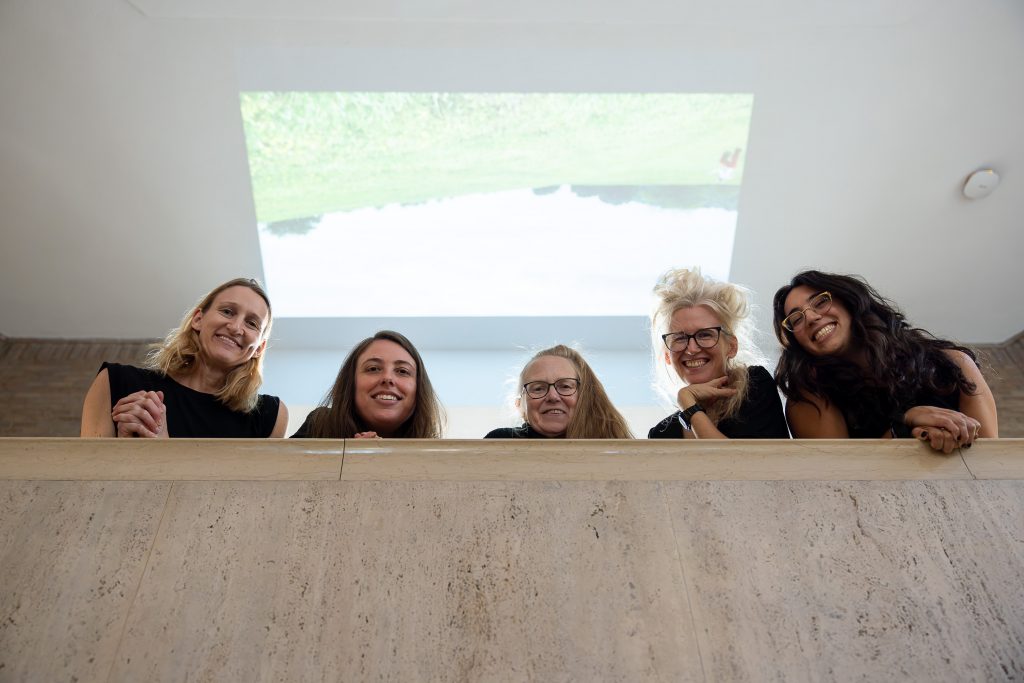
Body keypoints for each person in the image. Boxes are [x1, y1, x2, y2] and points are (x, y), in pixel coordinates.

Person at [773, 270, 998, 453]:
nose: (811, 317)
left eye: (820, 302)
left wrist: (952, 433)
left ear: (848, 301)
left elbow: (991, 461)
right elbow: (839, 478)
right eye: (796, 318)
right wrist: (905, 424)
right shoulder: (809, 393)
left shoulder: (954, 362)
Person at [81, 278, 288, 438]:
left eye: (251, 324)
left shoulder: (270, 417)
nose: (235, 327)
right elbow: (88, 481)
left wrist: (163, 447)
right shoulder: (116, 381)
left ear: (259, 348)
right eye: (227, 311)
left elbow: (250, 494)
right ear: (198, 319)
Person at [647, 268, 789, 439]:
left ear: (731, 346)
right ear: (668, 356)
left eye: (705, 334)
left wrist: (688, 404)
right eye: (679, 338)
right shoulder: (661, 434)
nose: (691, 349)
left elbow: (733, 463)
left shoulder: (755, 386)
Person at [291, 330, 444, 439]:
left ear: (419, 389)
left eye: (403, 371)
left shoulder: (437, 455)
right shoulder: (320, 425)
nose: (387, 378)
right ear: (351, 383)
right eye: (373, 369)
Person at [484, 345, 633, 439]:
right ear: (520, 405)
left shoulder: (616, 449)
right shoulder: (501, 443)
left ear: (585, 397)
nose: (553, 396)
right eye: (538, 388)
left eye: (565, 386)